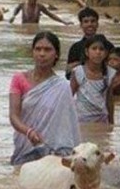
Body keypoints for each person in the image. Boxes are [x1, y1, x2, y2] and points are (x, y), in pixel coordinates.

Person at [9, 31, 80, 165]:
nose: (42, 54)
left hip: (53, 153)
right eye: (38, 49)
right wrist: (29, 132)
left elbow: (67, 125)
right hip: (25, 147)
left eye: (47, 50)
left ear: (56, 54)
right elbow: (14, 116)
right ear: (32, 52)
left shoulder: (63, 87)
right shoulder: (19, 79)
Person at [70, 34, 117, 124]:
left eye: (101, 49)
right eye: (94, 48)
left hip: (101, 120)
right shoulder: (78, 72)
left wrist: (111, 123)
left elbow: (109, 100)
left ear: (106, 53)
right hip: (81, 120)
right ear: (87, 52)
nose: (98, 52)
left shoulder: (110, 73)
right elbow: (69, 97)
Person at [65, 7, 113, 80]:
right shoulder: (76, 47)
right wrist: (85, 62)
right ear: (81, 25)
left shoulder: (108, 45)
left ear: (97, 24)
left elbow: (117, 67)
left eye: (93, 21)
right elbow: (68, 73)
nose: (89, 24)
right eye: (86, 21)